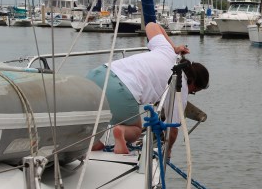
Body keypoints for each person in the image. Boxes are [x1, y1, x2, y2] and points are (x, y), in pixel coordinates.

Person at [87, 22, 209, 156]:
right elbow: (173, 128)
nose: (190, 93)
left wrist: (173, 47)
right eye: (193, 92)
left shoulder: (167, 50)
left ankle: (94, 142)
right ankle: (121, 130)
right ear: (193, 84)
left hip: (97, 75)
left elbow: (151, 25)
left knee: (96, 116)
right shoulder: (180, 86)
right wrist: (168, 150)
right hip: (120, 90)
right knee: (135, 131)